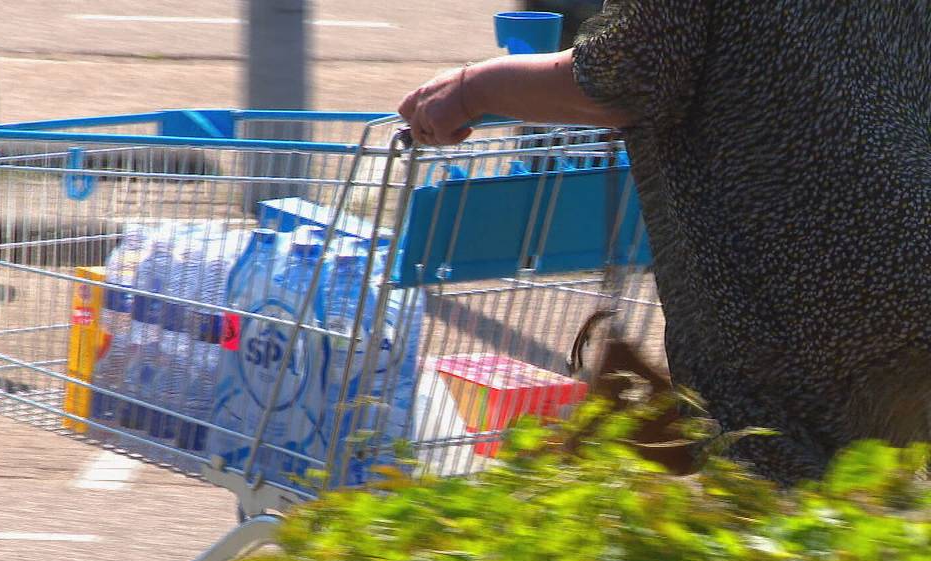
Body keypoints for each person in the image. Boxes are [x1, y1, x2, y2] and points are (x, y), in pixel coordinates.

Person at [399, 1, 931, 485]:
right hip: (908, 243)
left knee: (782, 506)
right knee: (878, 518)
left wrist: (472, 90)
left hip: (791, 275)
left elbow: (628, 75)